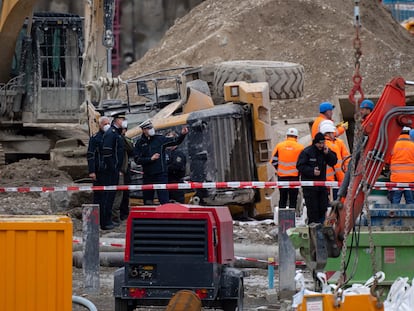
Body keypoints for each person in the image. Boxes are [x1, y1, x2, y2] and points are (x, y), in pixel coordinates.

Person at [133, 119, 189, 205]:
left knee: (164, 199)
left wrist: (182, 134)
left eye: (151, 127)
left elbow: (175, 141)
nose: (151, 129)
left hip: (160, 174)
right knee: (148, 200)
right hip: (148, 175)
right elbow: (137, 160)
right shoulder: (139, 143)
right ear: (144, 130)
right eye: (148, 128)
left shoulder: (159, 139)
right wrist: (150, 159)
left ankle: (166, 216)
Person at [296, 132, 337, 224]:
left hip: (321, 186)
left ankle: (321, 228)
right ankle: (313, 229)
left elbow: (333, 161)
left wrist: (328, 153)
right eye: (320, 143)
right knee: (313, 210)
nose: (321, 145)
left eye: (323, 143)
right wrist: (311, 171)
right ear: (315, 142)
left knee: (323, 208)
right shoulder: (307, 152)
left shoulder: (324, 151)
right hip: (310, 187)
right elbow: (300, 166)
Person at [100, 112, 125, 230]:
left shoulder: (117, 134)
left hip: (114, 169)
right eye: (122, 119)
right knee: (108, 196)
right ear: (116, 120)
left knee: (111, 196)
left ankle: (108, 220)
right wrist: (113, 168)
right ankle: (106, 221)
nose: (124, 121)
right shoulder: (112, 133)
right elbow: (107, 152)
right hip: (110, 171)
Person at [270, 127, 304, 209]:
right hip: (294, 177)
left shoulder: (279, 146)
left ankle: (282, 217)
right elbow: (303, 163)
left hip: (282, 177)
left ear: (287, 136)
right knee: (293, 199)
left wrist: (279, 169)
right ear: (296, 137)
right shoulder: (300, 148)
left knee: (283, 198)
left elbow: (273, 161)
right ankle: (292, 217)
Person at [112, 118, 134, 225]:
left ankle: (124, 214)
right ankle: (116, 216)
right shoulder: (115, 138)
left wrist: (123, 136)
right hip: (118, 170)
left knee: (125, 194)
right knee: (118, 194)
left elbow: (131, 148)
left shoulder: (125, 139)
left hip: (125, 170)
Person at [86, 116, 111, 210]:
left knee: (109, 196)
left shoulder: (112, 136)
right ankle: (99, 219)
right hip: (99, 170)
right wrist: (92, 171)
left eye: (108, 124)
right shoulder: (95, 138)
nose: (107, 126)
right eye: (105, 124)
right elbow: (90, 155)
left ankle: (107, 219)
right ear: (100, 125)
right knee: (99, 196)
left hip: (109, 170)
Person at [319, 120, 345, 201]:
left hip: (329, 179)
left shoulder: (337, 143)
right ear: (328, 133)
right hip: (335, 178)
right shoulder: (335, 144)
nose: (334, 134)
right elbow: (345, 160)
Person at [388, 126, 414, 204]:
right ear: (409, 133)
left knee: (395, 203)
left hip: (396, 179)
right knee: (410, 202)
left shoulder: (393, 145)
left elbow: (388, 160)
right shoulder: (413, 145)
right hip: (410, 179)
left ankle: (395, 216)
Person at [166, 131, 187, 203]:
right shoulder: (165, 153)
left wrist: (164, 169)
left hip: (176, 183)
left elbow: (176, 166)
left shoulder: (179, 153)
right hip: (167, 183)